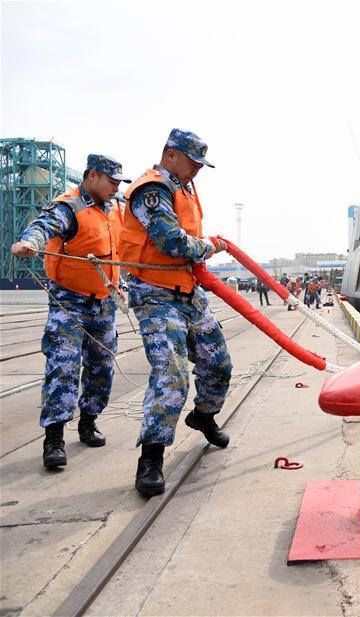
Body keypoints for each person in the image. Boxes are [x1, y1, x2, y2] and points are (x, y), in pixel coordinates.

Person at [120, 129, 232, 496]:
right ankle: (151, 458)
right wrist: (209, 246)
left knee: (218, 364)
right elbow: (171, 241)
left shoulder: (185, 188)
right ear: (170, 155)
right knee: (171, 375)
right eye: (192, 162)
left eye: (200, 164)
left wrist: (201, 249)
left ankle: (203, 416)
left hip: (188, 291)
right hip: (156, 294)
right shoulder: (152, 190)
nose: (197, 170)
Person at [10, 155, 131, 469]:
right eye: (112, 181)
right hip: (70, 302)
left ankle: (88, 422)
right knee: (63, 367)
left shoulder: (115, 209)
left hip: (104, 302)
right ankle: (54, 439)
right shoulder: (69, 206)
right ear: (92, 176)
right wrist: (29, 242)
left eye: (119, 183)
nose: (116, 187)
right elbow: (43, 226)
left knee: (102, 367)